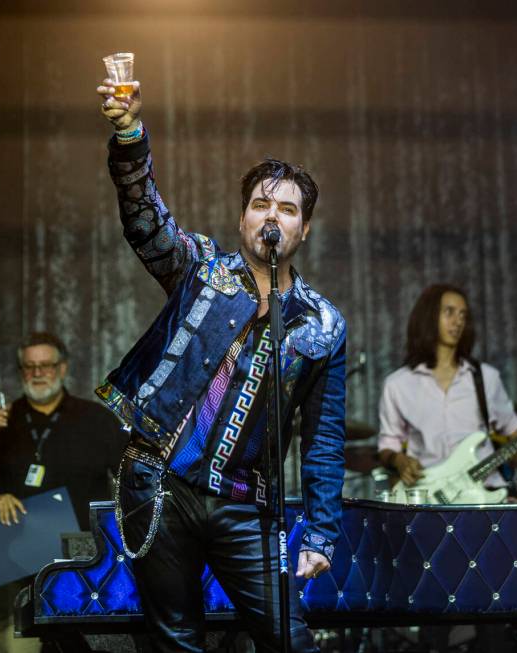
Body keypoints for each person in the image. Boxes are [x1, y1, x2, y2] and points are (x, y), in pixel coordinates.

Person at [95, 76, 346, 652]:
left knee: (290, 639)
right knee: (176, 639)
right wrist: (129, 134)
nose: (272, 216)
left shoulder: (323, 326)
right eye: (262, 204)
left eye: (287, 208)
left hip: (242, 502)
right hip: (160, 483)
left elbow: (324, 441)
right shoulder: (200, 269)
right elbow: (144, 220)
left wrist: (322, 536)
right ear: (243, 220)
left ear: (303, 229)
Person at [0, 331, 127, 653]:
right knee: (11, 641)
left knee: (85, 640)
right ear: (21, 371)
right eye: (29, 367)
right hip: (11, 548)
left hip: (81, 553)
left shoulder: (95, 418)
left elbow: (129, 479)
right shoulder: (2, 418)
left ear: (62, 369)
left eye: (46, 365)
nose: (37, 373)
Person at [378, 284, 517, 502]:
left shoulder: (486, 378)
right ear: (428, 316)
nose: (458, 321)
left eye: (463, 314)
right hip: (431, 497)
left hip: (485, 495)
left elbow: (514, 433)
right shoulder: (397, 384)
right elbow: (387, 446)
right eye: (449, 312)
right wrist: (399, 461)